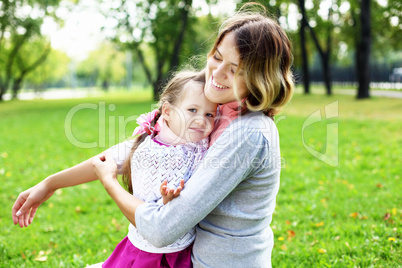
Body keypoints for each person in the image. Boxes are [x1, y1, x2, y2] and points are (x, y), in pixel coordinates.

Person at [13, 3, 294, 267]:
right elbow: (140, 148)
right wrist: (52, 183)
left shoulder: (249, 134)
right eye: (217, 57)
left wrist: (109, 182)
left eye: (234, 69)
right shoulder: (215, 103)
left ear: (259, 79)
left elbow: (162, 229)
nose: (216, 73)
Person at [13, 71, 218, 268]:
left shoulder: (204, 146)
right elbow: (101, 163)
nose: (202, 119)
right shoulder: (145, 146)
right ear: (168, 112)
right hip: (145, 252)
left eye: (209, 114)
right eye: (192, 110)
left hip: (181, 253)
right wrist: (49, 183)